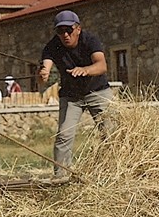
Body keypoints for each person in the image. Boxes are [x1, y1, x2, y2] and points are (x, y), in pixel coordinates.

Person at [38, 10, 116, 178]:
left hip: (98, 91)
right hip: (71, 97)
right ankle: (61, 177)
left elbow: (102, 65)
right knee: (64, 136)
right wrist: (43, 73)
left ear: (78, 29)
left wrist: (85, 70)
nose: (65, 34)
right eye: (60, 31)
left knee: (110, 132)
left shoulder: (90, 40)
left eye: (69, 30)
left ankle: (116, 171)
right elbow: (45, 68)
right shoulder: (53, 46)